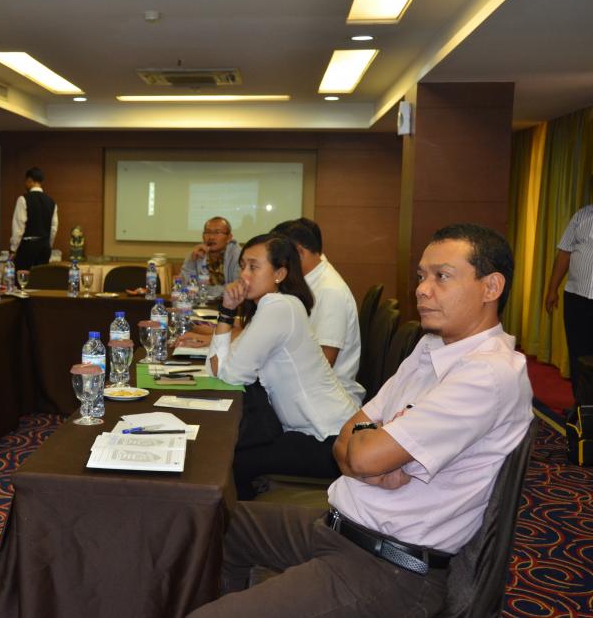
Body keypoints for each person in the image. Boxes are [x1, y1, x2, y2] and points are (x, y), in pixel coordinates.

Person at [189, 224, 533, 618]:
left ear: (491, 287)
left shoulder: (487, 374)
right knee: (210, 524)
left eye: (442, 276)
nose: (422, 289)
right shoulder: (431, 347)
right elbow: (347, 441)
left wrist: (370, 448)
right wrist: (375, 444)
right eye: (421, 276)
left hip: (388, 566)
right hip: (338, 526)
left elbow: (362, 456)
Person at [206, 233, 360, 498]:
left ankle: (245, 522)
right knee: (232, 453)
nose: (244, 275)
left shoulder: (279, 307)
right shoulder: (276, 305)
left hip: (328, 440)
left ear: (279, 273)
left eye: (253, 267)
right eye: (242, 266)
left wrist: (227, 314)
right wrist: (227, 310)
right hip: (314, 432)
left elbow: (228, 375)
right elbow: (216, 371)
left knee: (231, 460)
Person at [271, 218, 364, 402]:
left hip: (326, 400)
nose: (277, 265)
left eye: (280, 258)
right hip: (306, 390)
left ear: (299, 252)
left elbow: (322, 364)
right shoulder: (309, 282)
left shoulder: (329, 291)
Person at [544, 203, 593, 407]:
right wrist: (552, 288)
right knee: (578, 353)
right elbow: (564, 252)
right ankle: (581, 406)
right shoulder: (582, 215)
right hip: (576, 297)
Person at [9, 167, 58, 270]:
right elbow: (53, 228)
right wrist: (48, 245)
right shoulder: (52, 202)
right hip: (44, 249)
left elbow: (19, 228)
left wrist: (13, 249)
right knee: (41, 278)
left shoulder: (23, 199)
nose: (25, 184)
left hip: (28, 247)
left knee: (23, 278)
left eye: (25, 181)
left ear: (29, 180)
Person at [181, 217, 241, 300]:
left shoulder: (238, 256)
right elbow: (185, 287)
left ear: (229, 237)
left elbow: (237, 288)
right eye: (208, 232)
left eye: (217, 232)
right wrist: (191, 261)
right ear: (203, 236)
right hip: (200, 303)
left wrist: (205, 290)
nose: (211, 237)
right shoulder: (196, 253)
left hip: (231, 304)